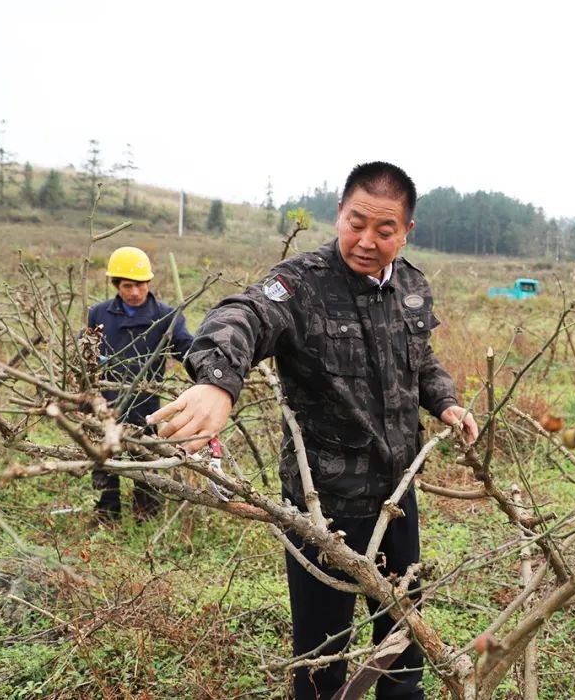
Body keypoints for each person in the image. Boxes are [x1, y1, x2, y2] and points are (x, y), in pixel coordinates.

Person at [148, 161, 478, 700]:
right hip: (323, 506)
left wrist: (445, 403)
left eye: (384, 229)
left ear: (406, 230)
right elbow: (243, 315)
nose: (366, 240)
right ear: (339, 215)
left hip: (398, 494)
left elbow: (421, 362)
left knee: (402, 640)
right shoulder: (300, 284)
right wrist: (218, 381)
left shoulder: (413, 285)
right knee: (323, 659)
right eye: (355, 223)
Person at [87, 246, 194, 522]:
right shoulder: (98, 314)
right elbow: (87, 355)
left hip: (145, 406)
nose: (135, 292)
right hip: (106, 402)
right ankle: (106, 516)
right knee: (104, 461)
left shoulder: (167, 316)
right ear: (116, 286)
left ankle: (145, 515)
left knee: (145, 461)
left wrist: (206, 363)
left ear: (149, 282)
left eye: (141, 285)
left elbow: (186, 350)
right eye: (128, 286)